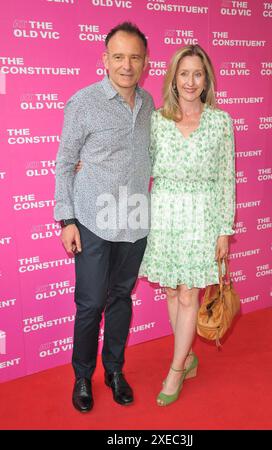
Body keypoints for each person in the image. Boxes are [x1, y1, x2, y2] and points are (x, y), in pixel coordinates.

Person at [54, 22, 154, 412]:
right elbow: (64, 163)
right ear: (105, 60)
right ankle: (82, 376)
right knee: (91, 303)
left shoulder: (149, 106)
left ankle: (114, 370)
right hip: (93, 221)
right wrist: (67, 221)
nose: (126, 65)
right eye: (118, 56)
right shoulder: (83, 102)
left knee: (121, 300)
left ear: (145, 62)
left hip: (134, 222)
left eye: (134, 57)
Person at [138, 44, 236, 406]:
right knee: (169, 291)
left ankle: (176, 369)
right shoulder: (157, 121)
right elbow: (140, 166)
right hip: (164, 215)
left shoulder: (220, 122)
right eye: (184, 74)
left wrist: (224, 229)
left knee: (188, 293)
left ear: (206, 79)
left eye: (198, 74)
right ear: (174, 79)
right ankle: (188, 356)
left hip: (202, 217)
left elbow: (227, 179)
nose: (191, 81)